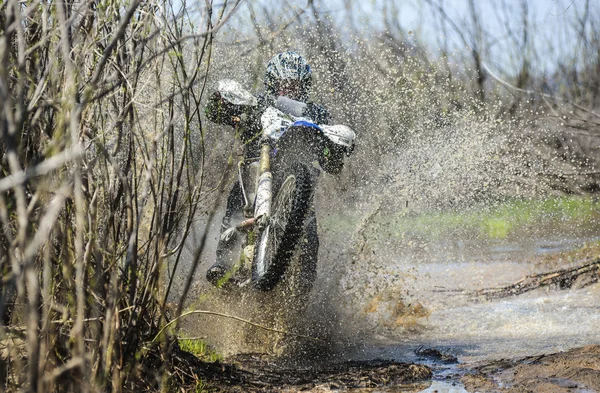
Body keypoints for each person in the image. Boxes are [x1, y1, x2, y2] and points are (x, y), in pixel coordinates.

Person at [204, 51, 339, 286]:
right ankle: (222, 262)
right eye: (283, 84)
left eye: (294, 85)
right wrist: (222, 104)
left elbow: (333, 160)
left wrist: (333, 149)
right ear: (272, 83)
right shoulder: (257, 103)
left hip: (296, 184)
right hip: (256, 171)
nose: (288, 89)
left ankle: (304, 283)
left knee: (310, 230)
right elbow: (214, 112)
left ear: (303, 86)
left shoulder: (316, 114)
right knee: (237, 195)